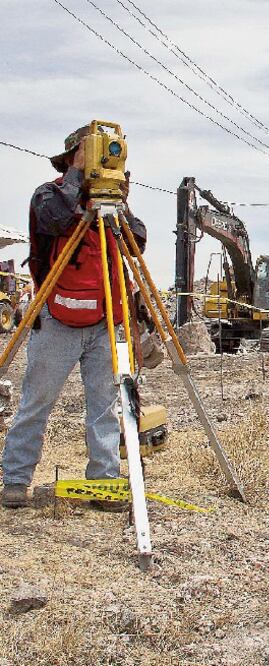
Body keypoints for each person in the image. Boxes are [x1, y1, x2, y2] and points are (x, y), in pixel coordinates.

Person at [1, 126, 147, 510]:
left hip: (104, 321)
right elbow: (58, 223)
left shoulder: (110, 205)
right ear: (71, 159)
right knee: (37, 402)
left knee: (104, 406)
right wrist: (77, 178)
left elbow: (139, 243)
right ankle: (16, 479)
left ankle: (104, 480)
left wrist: (122, 204)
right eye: (91, 156)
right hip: (56, 319)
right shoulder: (49, 195)